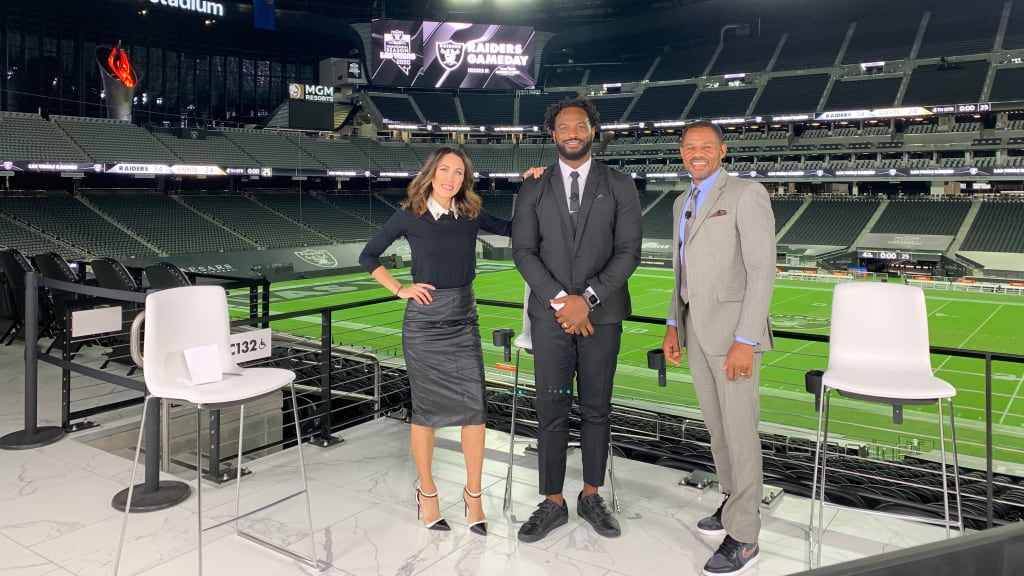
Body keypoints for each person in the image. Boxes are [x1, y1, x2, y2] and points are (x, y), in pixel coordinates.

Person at [359, 146, 511, 535]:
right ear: (431, 173)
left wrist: (534, 189)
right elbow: (369, 255)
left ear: (465, 180)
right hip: (424, 325)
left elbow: (514, 228)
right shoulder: (410, 214)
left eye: (459, 173)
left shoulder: (471, 214)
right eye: (444, 170)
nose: (451, 178)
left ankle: (472, 495)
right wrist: (399, 290)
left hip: (464, 320)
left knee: (475, 409)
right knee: (425, 412)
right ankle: (427, 494)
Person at [511, 97, 642, 543]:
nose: (572, 132)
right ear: (553, 134)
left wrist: (586, 298)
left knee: (596, 408)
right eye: (564, 126)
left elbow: (628, 252)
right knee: (550, 407)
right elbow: (523, 251)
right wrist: (560, 301)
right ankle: (552, 501)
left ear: (592, 130)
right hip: (550, 319)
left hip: (602, 316)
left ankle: (590, 495)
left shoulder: (621, 184)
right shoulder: (532, 186)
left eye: (580, 125)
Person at [661, 120, 775, 576]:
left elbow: (762, 270)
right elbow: (681, 273)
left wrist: (745, 339)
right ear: (682, 153)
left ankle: (745, 536)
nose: (697, 152)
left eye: (706, 146)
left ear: (722, 150)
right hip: (697, 332)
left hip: (733, 337)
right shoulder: (680, 202)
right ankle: (732, 505)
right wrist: (673, 324)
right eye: (690, 147)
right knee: (718, 430)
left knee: (741, 434)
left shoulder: (746, 194)